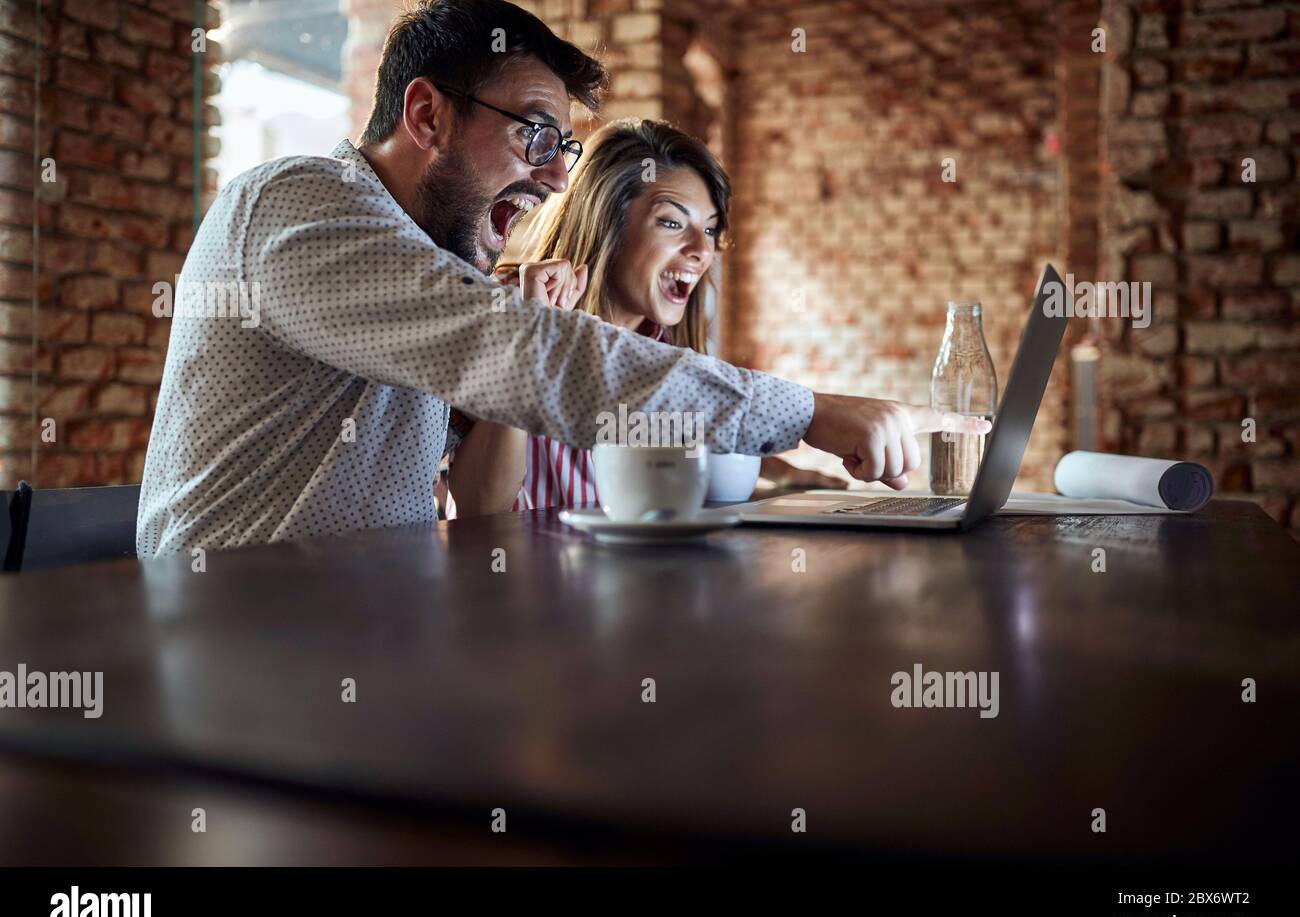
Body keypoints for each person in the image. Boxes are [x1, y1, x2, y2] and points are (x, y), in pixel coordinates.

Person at [136, 0, 988, 558]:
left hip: (360, 653)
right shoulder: (298, 201)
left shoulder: (427, 267)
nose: (552, 179)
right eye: (536, 136)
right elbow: (526, 360)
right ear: (427, 115)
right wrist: (812, 414)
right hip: (239, 656)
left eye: (564, 151)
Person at [446, 119, 845, 516]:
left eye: (709, 230)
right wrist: (534, 337)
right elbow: (477, 507)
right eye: (671, 222)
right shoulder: (509, 309)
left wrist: (778, 472)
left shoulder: (666, 350)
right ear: (607, 224)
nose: (701, 251)